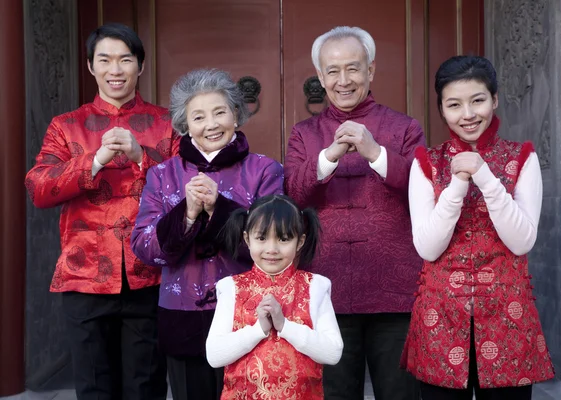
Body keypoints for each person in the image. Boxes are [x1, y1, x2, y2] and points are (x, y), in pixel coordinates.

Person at [24, 23, 179, 400]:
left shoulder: (167, 123)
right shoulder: (66, 126)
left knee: (146, 386)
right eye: (105, 60)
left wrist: (143, 156)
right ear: (91, 67)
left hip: (150, 274)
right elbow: (39, 187)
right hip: (85, 274)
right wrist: (94, 161)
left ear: (140, 66)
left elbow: (183, 190)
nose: (115, 70)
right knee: (94, 387)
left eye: (125, 59)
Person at [401, 55, 555, 400]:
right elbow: (427, 247)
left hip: (507, 316)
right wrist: (457, 183)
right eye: (454, 104)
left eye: (478, 100)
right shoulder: (426, 162)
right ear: (442, 109)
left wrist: (484, 175)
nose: (468, 114)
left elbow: (522, 241)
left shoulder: (522, 157)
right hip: (440, 317)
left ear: (495, 100)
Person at [284, 26, 424, 399]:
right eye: (332, 71)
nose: (343, 80)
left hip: (394, 289)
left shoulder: (405, 127)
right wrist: (329, 155)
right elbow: (295, 194)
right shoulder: (303, 133)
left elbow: (424, 190)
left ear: (371, 70)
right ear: (320, 77)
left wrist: (375, 152)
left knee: (400, 393)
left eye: (353, 68)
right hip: (325, 286)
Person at [130, 68, 284, 400]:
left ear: (236, 115)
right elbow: (143, 247)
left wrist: (219, 208)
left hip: (249, 312)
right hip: (182, 315)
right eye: (198, 116)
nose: (211, 124)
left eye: (219, 112)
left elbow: (275, 247)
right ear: (185, 125)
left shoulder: (265, 171)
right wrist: (185, 214)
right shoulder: (162, 175)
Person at [205, 194, 343, 399]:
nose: (272, 249)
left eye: (284, 239)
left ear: (300, 242)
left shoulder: (316, 286)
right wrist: (259, 329)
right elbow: (214, 356)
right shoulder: (231, 288)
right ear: (247, 239)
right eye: (261, 238)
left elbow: (333, 352)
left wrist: (285, 326)